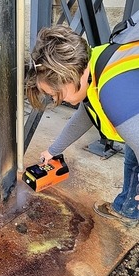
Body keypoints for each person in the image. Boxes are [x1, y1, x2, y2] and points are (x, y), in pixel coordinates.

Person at [26, 24, 139, 228]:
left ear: (72, 75)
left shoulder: (114, 94)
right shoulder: (94, 63)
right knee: (133, 159)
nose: (59, 101)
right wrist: (54, 150)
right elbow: (85, 116)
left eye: (56, 94)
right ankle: (127, 208)